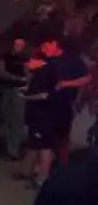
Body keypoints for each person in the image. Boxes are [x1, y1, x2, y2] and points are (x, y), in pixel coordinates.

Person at [40, 34, 92, 167]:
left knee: (46, 140)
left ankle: (44, 170)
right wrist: (75, 95)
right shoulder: (76, 61)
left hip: (51, 103)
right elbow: (86, 79)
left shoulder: (53, 60)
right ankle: (59, 165)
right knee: (62, 137)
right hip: (66, 103)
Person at [18, 54, 58, 189]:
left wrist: (26, 97)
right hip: (38, 118)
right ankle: (33, 172)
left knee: (44, 149)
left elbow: (44, 95)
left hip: (43, 118)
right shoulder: (38, 75)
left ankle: (42, 179)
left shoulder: (45, 75)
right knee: (36, 146)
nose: (26, 64)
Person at [0, 36, 30, 159]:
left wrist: (25, 79)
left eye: (22, 45)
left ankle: (14, 149)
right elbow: (2, 72)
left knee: (17, 120)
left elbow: (28, 72)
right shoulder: (5, 56)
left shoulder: (24, 58)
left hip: (19, 90)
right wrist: (15, 78)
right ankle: (8, 146)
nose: (19, 47)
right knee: (6, 118)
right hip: (6, 88)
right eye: (17, 44)